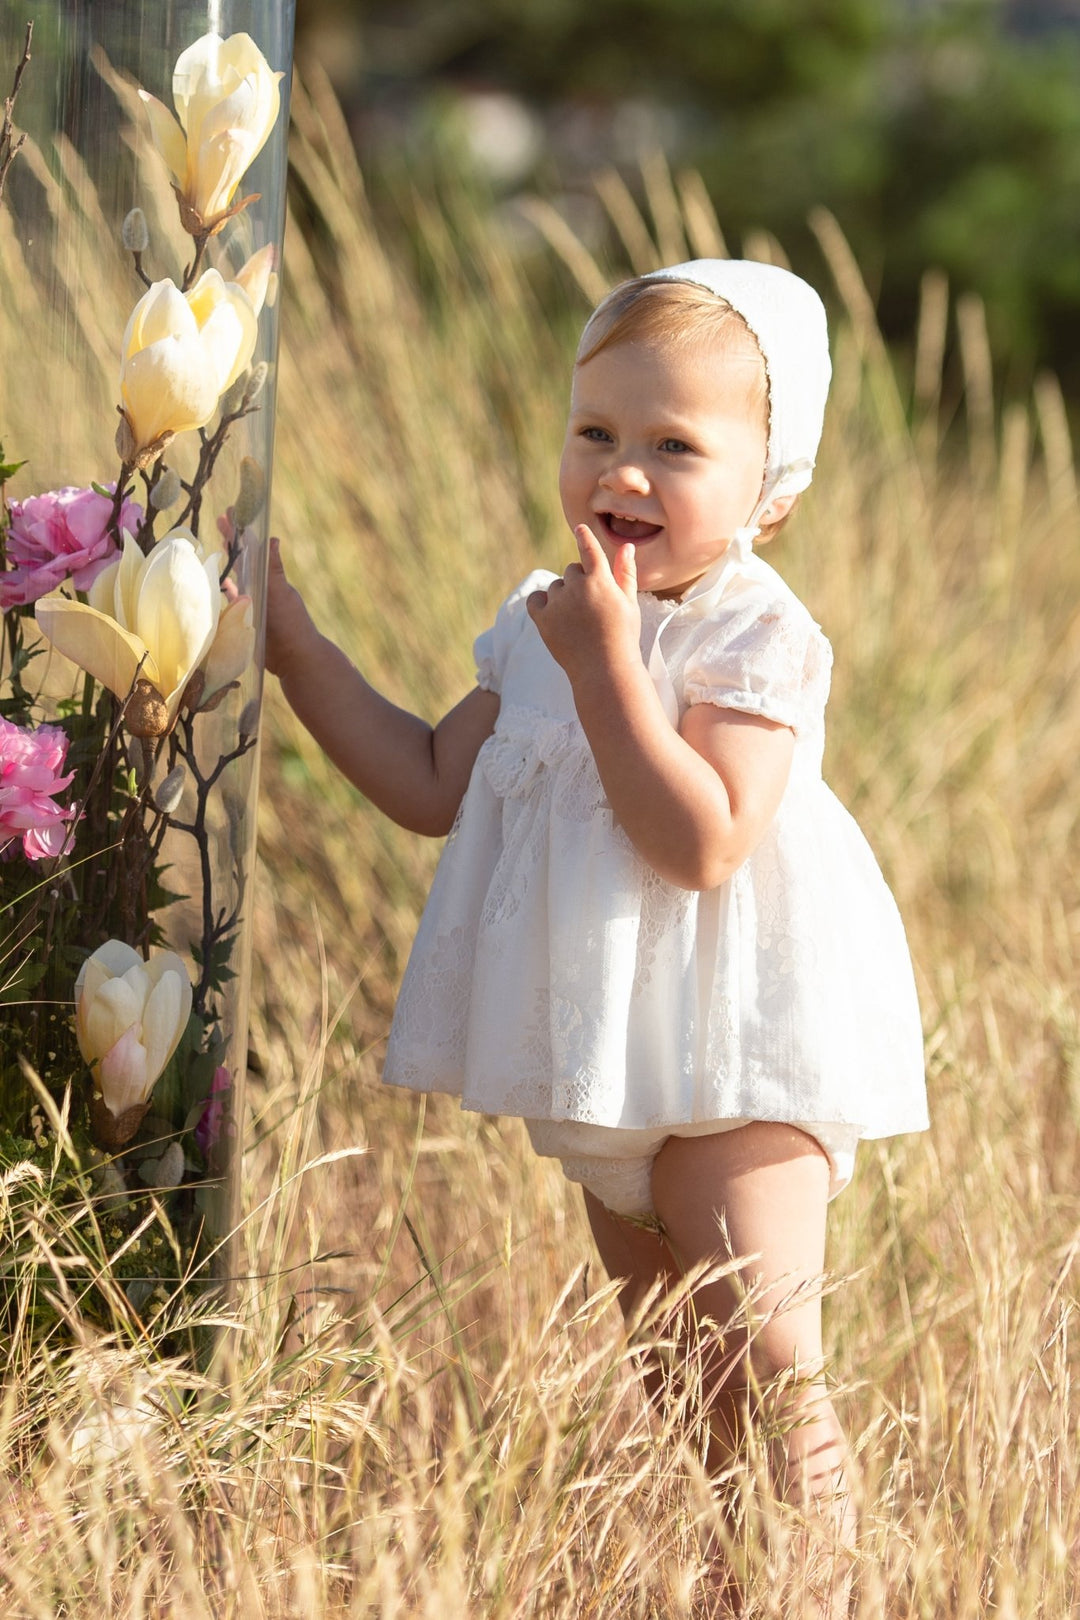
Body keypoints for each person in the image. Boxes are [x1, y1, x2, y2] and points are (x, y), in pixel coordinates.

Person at [266, 258, 928, 1614]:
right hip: (607, 1056)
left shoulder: (754, 632)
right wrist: (297, 649)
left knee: (768, 1354)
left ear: (771, 492)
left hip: (738, 1050)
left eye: (676, 446)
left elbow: (703, 842)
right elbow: (430, 782)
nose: (623, 470)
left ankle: (831, 1591)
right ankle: (747, 1581)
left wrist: (609, 666)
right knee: (679, 1369)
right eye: (596, 430)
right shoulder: (543, 622)